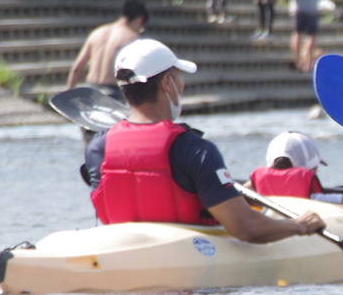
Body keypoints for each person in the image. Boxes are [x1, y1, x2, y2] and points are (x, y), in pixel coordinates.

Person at [84, 39, 323, 242]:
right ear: (167, 83)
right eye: (177, 77)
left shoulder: (97, 147)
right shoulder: (195, 150)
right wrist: (299, 226)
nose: (182, 84)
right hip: (186, 261)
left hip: (116, 252)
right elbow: (245, 227)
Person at [249, 132, 343, 206]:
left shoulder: (257, 189)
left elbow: (236, 190)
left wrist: (253, 184)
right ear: (313, 169)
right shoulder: (315, 198)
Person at [67, 0, 148, 93]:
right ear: (140, 20)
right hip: (113, 92)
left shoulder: (97, 33)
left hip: (91, 90)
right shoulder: (133, 38)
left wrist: (68, 92)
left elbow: (77, 68)